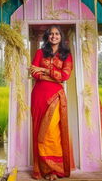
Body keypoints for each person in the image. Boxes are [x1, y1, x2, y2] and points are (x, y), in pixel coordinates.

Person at [29, 25, 74, 180]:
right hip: (38, 97)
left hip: (55, 97)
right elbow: (34, 72)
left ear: (61, 36)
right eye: (51, 34)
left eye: (57, 34)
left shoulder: (66, 55)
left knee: (51, 133)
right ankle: (43, 170)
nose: (54, 36)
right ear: (47, 37)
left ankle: (54, 170)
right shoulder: (40, 52)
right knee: (38, 132)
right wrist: (49, 74)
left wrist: (46, 70)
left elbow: (65, 76)